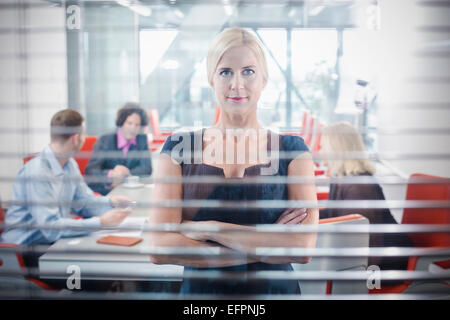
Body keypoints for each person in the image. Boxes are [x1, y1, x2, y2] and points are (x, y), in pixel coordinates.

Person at [148, 28, 318, 295]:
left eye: (248, 71)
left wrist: (211, 229)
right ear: (211, 79)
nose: (237, 84)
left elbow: (302, 248)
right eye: (225, 72)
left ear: (264, 78)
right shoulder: (178, 149)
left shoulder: (292, 152)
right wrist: (267, 244)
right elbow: (159, 248)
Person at [1, 109, 132, 267]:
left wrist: (110, 203)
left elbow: (83, 202)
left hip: (50, 242)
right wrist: (101, 222)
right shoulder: (36, 172)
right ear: (76, 138)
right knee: (90, 268)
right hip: (24, 251)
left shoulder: (69, 164)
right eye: (83, 135)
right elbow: (51, 229)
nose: (84, 140)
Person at [319, 121, 412, 274]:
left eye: (324, 147)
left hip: (386, 259)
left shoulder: (359, 187)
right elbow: (331, 213)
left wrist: (365, 278)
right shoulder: (339, 175)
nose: (320, 151)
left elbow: (368, 238)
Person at [85, 102, 152, 195]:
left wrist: (126, 173)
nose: (133, 128)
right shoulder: (105, 140)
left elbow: (146, 168)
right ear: (122, 123)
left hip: (130, 191)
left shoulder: (141, 139)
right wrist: (111, 174)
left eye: (137, 125)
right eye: (129, 123)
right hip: (106, 191)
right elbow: (91, 171)